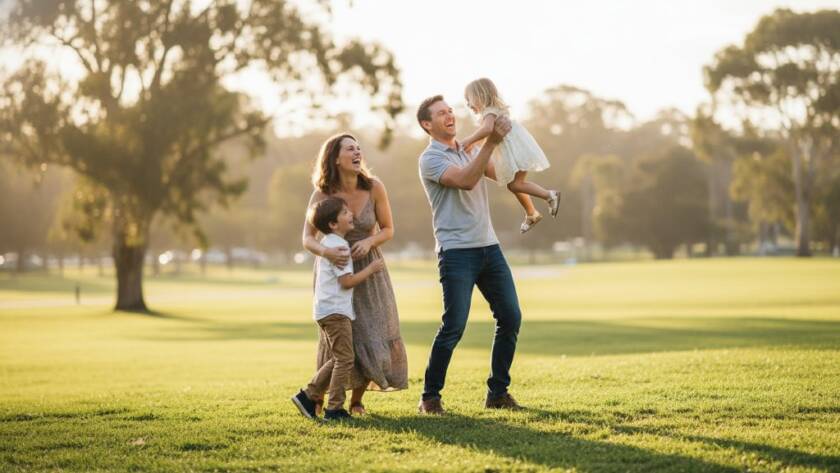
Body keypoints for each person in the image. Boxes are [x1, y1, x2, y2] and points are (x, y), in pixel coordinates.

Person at [416, 94, 525, 415]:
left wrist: (511, 136)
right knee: (454, 326)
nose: (450, 115)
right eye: (441, 114)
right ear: (427, 124)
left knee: (510, 317)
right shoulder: (431, 159)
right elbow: (465, 181)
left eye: (451, 111)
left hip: (489, 248)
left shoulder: (470, 148)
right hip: (456, 253)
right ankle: (429, 398)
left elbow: (502, 175)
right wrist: (489, 143)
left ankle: (498, 393)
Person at [301, 133, 408, 416]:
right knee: (341, 339)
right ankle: (317, 397)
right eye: (350, 149)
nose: (357, 152)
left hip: (369, 270)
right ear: (335, 158)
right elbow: (307, 238)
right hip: (335, 271)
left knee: (372, 330)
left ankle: (357, 400)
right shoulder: (322, 193)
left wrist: (370, 241)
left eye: (359, 148)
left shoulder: (374, 187)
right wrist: (326, 253)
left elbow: (388, 229)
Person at [291, 197, 385, 421]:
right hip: (336, 311)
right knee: (345, 359)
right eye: (345, 213)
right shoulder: (339, 245)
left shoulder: (329, 243)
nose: (351, 214)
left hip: (325, 310)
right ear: (333, 224)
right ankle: (334, 409)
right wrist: (371, 268)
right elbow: (347, 281)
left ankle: (308, 395)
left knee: (338, 357)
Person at [461, 78, 560, 233]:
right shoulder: (492, 111)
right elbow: (487, 135)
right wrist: (473, 144)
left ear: (480, 95)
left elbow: (487, 130)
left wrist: (469, 140)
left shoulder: (489, 111)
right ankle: (531, 213)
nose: (467, 104)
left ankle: (549, 195)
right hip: (517, 150)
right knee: (515, 184)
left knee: (515, 184)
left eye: (469, 99)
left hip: (515, 152)